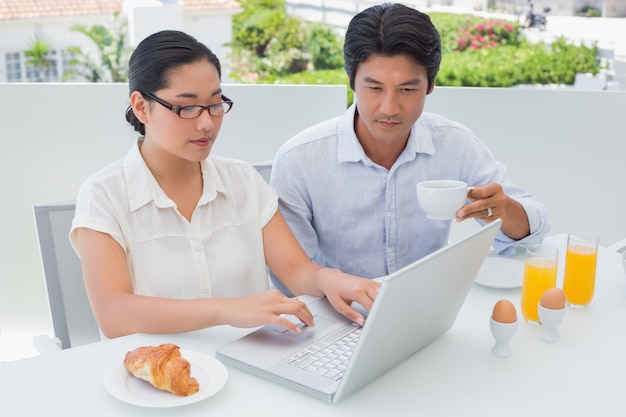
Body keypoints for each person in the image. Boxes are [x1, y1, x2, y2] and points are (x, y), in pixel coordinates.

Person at [69, 30, 379, 339]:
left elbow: (295, 270)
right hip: (154, 377)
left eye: (216, 104)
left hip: (251, 362)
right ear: (141, 107)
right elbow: (114, 315)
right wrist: (227, 310)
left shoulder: (242, 179)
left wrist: (329, 279)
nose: (206, 123)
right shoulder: (103, 195)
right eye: (186, 108)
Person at [269, 3, 549, 295]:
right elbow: (287, 273)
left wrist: (504, 211)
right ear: (352, 82)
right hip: (338, 316)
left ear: (430, 85)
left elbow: (535, 231)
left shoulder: (455, 144)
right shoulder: (299, 161)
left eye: (407, 89)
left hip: (426, 308)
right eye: (374, 88)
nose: (389, 108)